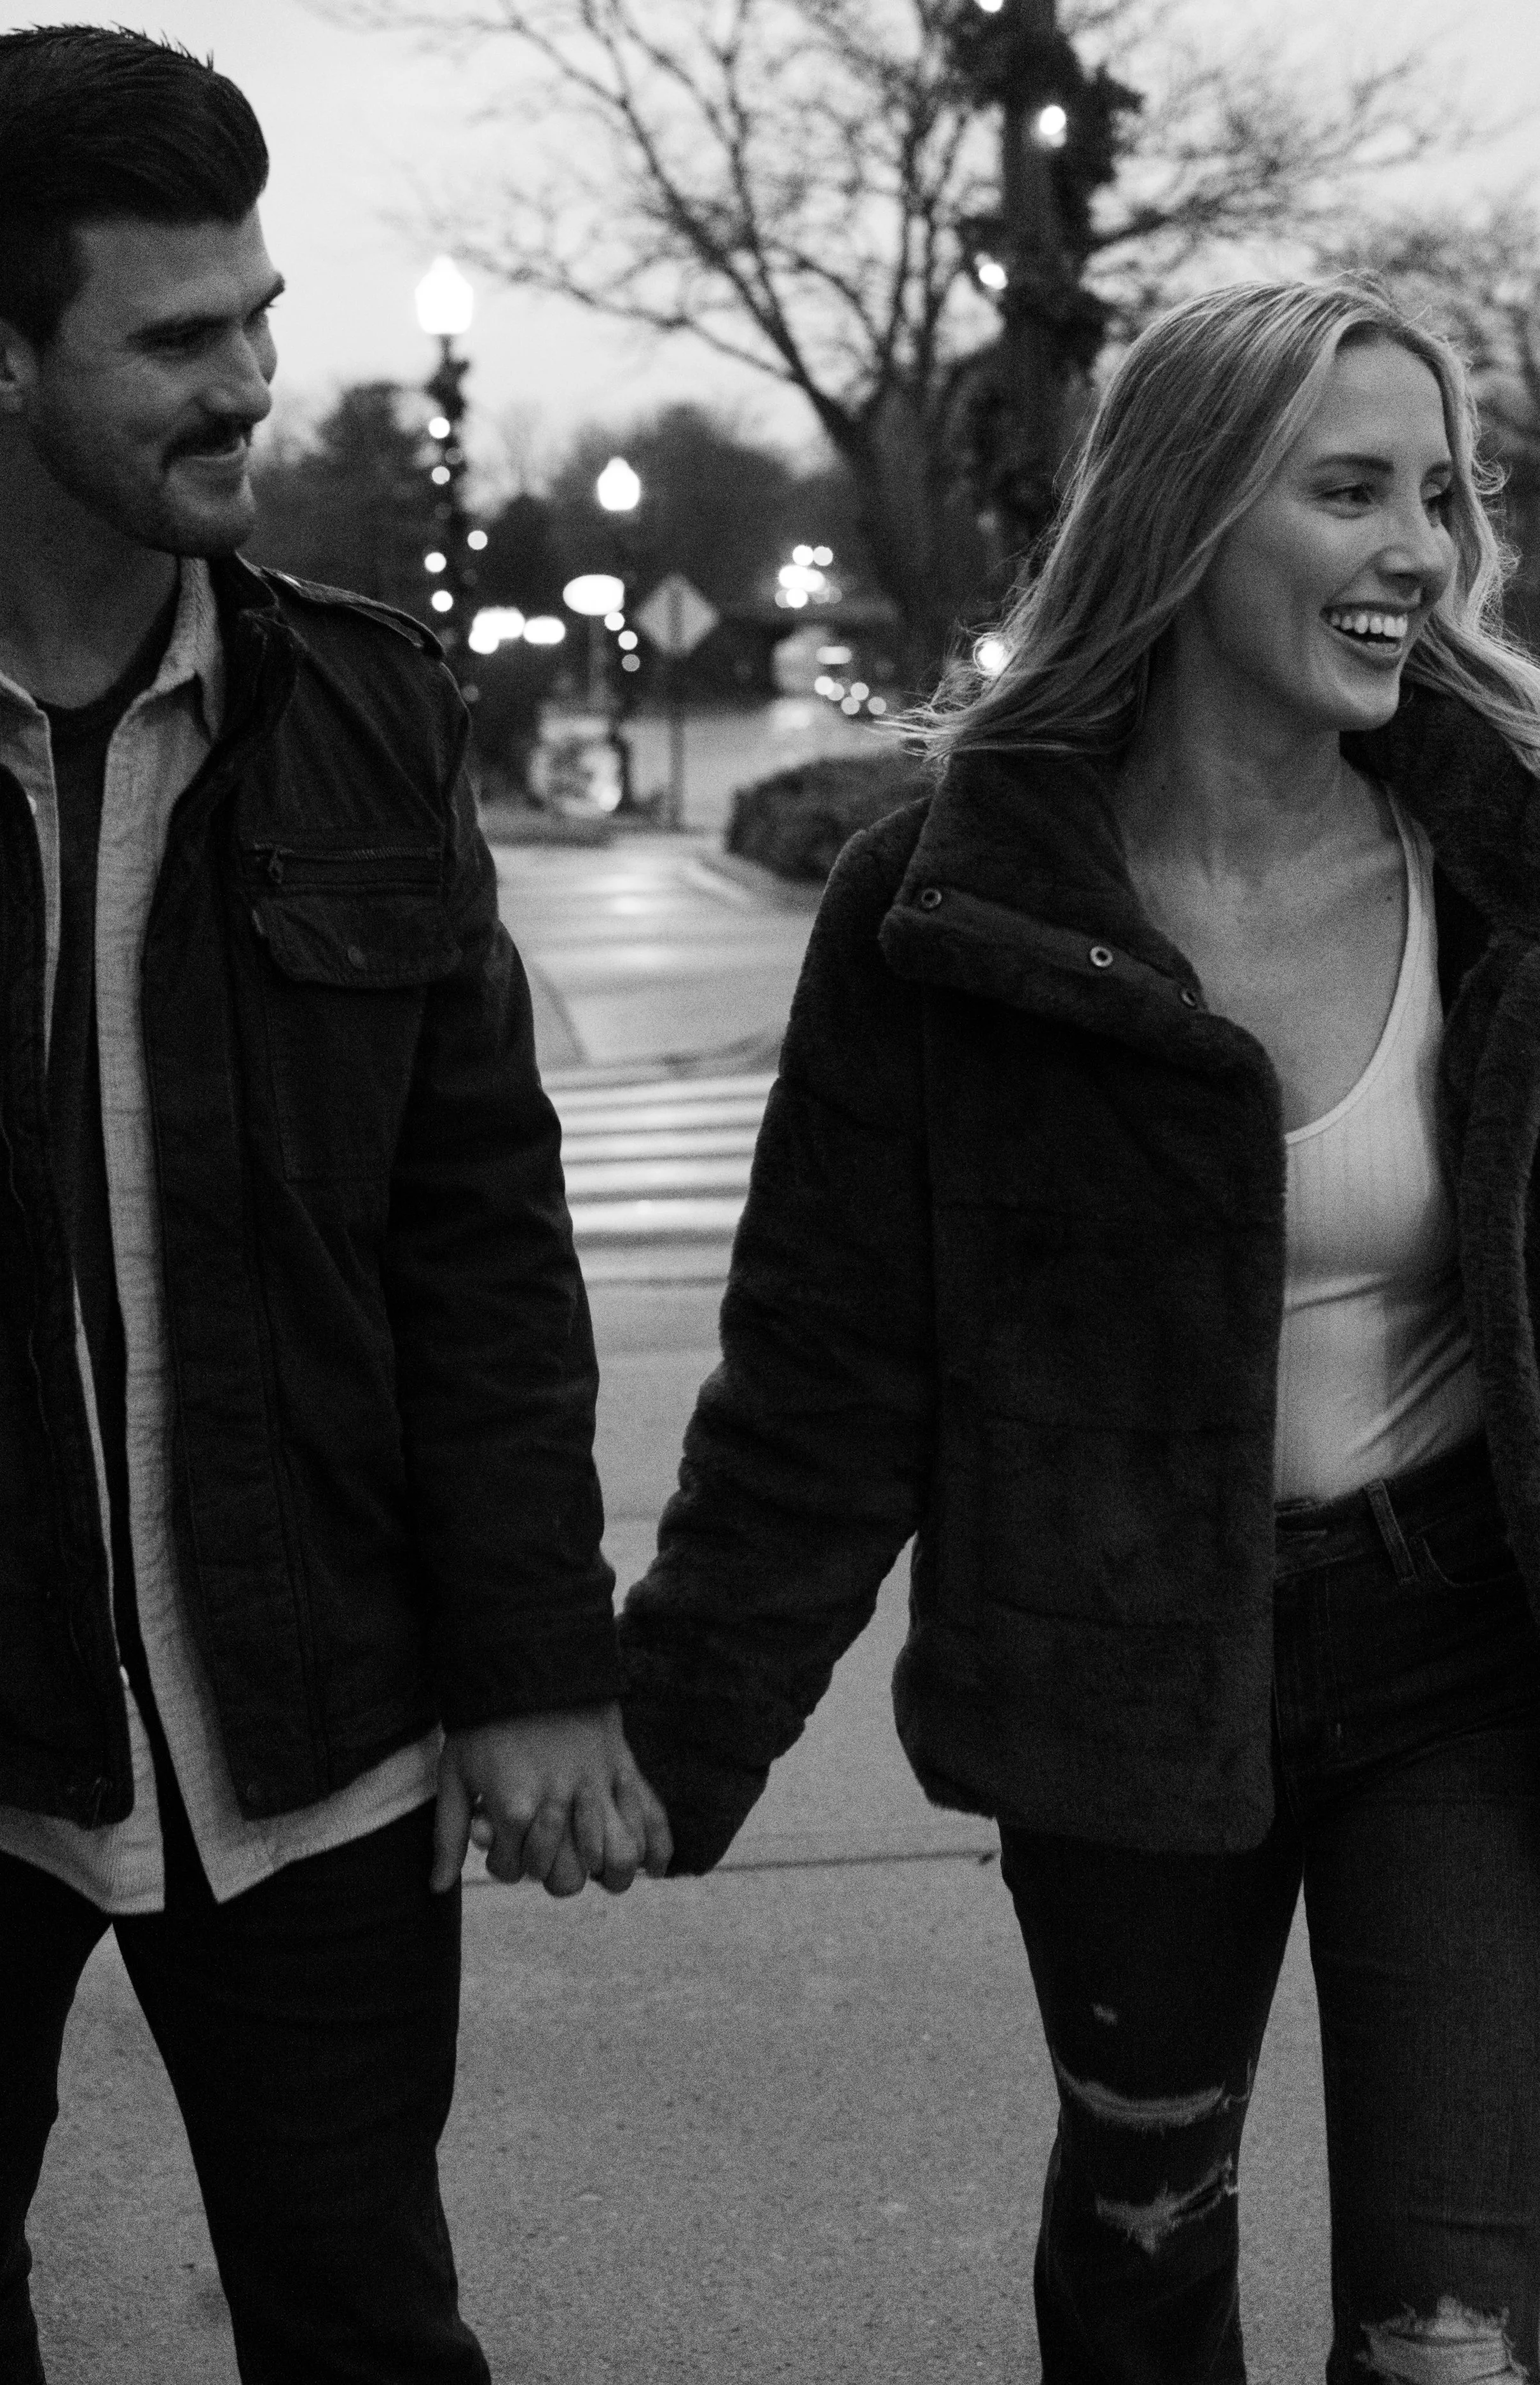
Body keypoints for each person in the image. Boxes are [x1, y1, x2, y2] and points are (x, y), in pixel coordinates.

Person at [617, 275, 1540, 2381]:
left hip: (1456, 1656)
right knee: (1140, 2239)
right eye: (1348, 492)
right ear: (1188, 516)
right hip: (1112, 1673)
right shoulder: (954, 903)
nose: (1420, 549)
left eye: (1440, 493)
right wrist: (672, 1734)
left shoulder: (1506, 862)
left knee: (1456, 2321)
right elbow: (827, 1370)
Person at [0, 27, 670, 2385]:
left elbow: (478, 1230)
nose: (250, 379)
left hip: (318, 1731)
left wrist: (540, 1664)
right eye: (175, 339)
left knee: (367, 2318)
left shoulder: (360, 715)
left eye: (258, 313)